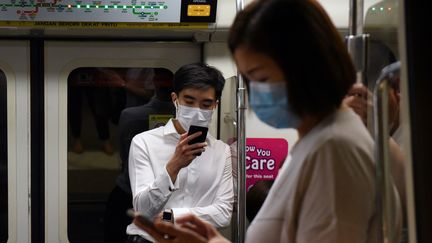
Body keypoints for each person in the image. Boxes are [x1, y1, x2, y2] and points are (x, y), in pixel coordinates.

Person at [132, 0, 402, 242]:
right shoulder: (315, 143)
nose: (255, 93)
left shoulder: (334, 150)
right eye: (249, 80)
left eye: (260, 78)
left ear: (308, 69)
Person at [126, 63, 234, 243]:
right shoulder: (144, 142)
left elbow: (223, 214)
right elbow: (142, 211)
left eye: (206, 104)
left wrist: (171, 216)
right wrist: (174, 166)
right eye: (189, 101)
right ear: (175, 99)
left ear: (215, 105)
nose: (197, 110)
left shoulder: (221, 151)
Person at [104, 69, 176, 243]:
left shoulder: (130, 116)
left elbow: (123, 154)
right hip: (170, 199)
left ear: (154, 81)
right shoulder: (186, 120)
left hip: (127, 190)